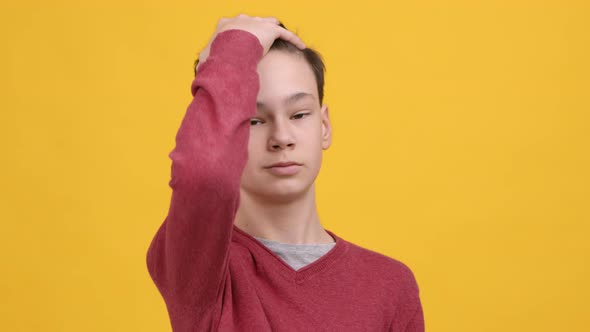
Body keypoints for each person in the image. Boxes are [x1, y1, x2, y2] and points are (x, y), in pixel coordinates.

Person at [146, 14, 424, 331]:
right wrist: (235, 43)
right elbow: (203, 174)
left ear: (324, 126)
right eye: (253, 120)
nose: (281, 137)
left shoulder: (390, 285)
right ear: (229, 133)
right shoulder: (203, 272)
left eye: (299, 114)